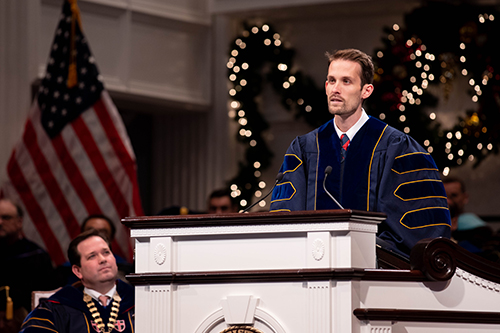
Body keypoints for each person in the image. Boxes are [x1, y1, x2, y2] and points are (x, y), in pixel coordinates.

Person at [270, 48, 451, 256]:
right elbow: (285, 217)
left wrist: (370, 251)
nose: (335, 89)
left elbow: (418, 229)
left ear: (366, 90)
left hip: (376, 274)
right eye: (331, 80)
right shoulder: (304, 148)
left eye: (346, 81)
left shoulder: (397, 147)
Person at [20, 229, 134, 333]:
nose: (103, 259)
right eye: (92, 256)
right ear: (78, 271)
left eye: (106, 252)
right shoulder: (56, 308)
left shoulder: (139, 301)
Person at [0, 198, 55, 333]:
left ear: (19, 222)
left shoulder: (36, 256)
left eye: (6, 218)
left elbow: (48, 300)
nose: (0, 222)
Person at [56, 215, 133, 286]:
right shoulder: (63, 273)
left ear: (111, 238)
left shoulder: (127, 271)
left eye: (103, 232)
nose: (95, 236)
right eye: (92, 256)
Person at [442, 176, 493, 256]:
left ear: (465, 197)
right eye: (443, 196)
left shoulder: (480, 231)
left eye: (454, 195)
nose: (448, 200)